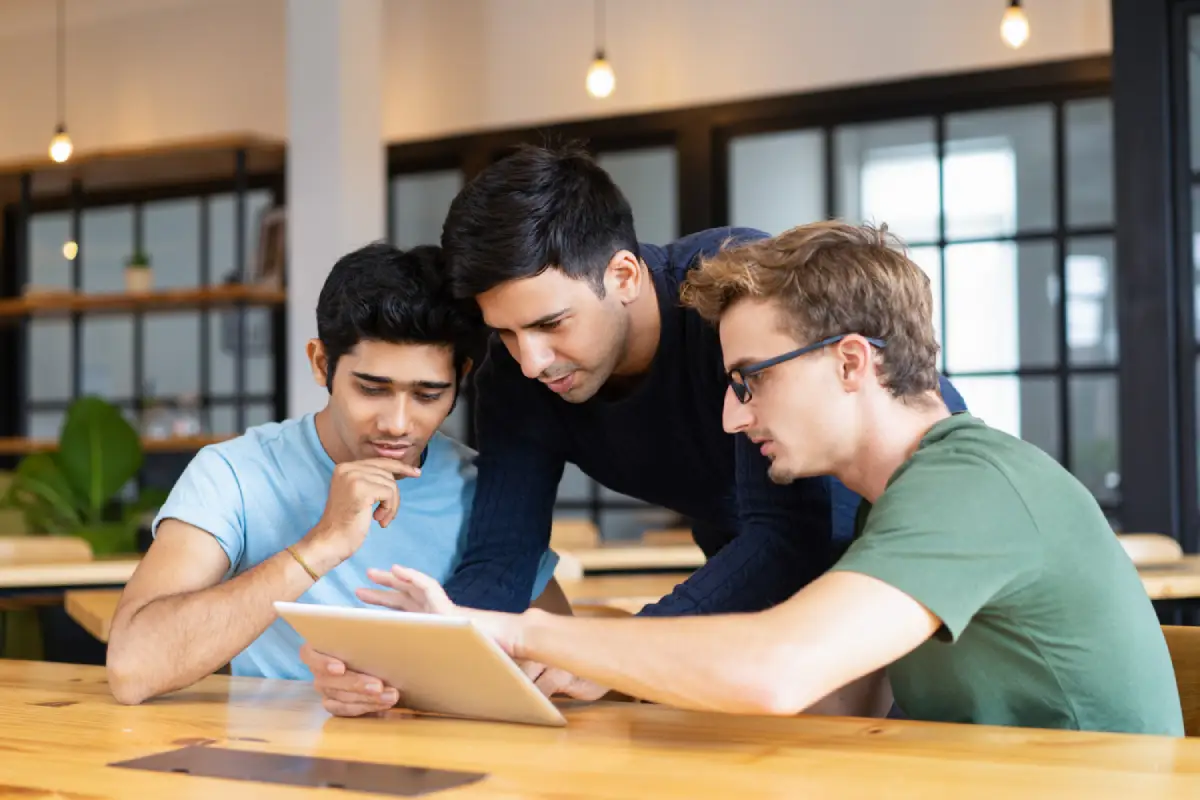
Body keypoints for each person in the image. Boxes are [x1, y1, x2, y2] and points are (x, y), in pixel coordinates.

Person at [353, 220, 1185, 736]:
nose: (731, 417)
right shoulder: (894, 505)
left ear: (851, 362)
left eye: (749, 380)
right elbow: (844, 701)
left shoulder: (972, 489)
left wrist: (521, 634)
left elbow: (779, 668)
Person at [301, 143, 966, 715]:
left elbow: (793, 534)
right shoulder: (521, 374)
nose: (531, 361)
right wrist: (415, 667)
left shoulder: (736, 297)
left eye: (550, 324)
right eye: (505, 332)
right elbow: (502, 557)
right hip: (752, 565)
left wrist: (618, 654)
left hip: (894, 535)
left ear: (622, 275)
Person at [105, 242, 562, 708]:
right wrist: (321, 545)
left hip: (443, 748)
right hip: (268, 751)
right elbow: (132, 668)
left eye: (428, 395)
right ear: (322, 364)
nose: (398, 424)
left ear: (460, 377)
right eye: (372, 389)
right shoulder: (234, 474)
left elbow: (559, 661)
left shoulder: (485, 489)